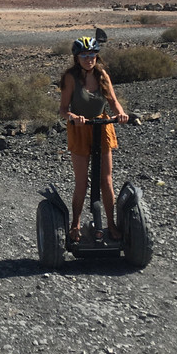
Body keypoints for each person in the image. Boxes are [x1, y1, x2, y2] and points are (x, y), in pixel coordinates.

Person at [58, 35, 128, 243]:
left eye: (93, 55)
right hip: (80, 129)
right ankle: (75, 224)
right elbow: (63, 109)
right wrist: (72, 117)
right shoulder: (70, 78)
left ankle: (111, 224)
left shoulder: (102, 75)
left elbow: (114, 102)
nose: (89, 59)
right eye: (85, 56)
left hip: (102, 127)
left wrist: (121, 114)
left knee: (106, 180)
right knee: (82, 183)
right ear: (77, 58)